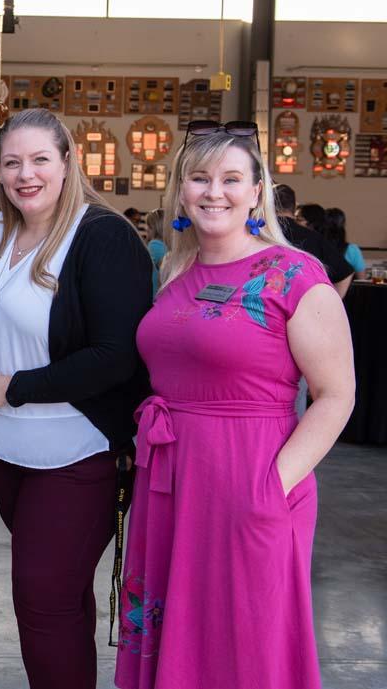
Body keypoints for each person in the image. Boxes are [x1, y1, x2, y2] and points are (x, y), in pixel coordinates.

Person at [116, 120, 355, 689]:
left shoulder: (296, 274)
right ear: (180, 191)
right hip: (171, 480)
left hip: (250, 479)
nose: (213, 192)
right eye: (199, 179)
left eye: (230, 178)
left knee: (247, 634)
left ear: (256, 192)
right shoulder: (176, 271)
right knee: (179, 627)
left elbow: (336, 395)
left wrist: (272, 486)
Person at [0, 108, 151, 689]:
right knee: (56, 599)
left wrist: (13, 388)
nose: (26, 174)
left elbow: (118, 354)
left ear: (68, 163)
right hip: (3, 449)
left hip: (78, 450)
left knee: (43, 601)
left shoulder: (101, 235)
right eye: (12, 162)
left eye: (41, 159)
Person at [273, 184, 353, 297]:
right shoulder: (314, 238)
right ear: (294, 207)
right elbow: (345, 273)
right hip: (304, 305)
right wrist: (331, 304)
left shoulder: (257, 233)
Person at [323, 206, 367, 279]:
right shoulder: (352, 250)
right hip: (346, 289)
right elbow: (362, 279)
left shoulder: (315, 246)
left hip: (320, 289)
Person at [145, 208, 167, 294]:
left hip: (154, 297)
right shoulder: (167, 245)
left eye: (148, 226)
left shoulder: (155, 245)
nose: (146, 228)